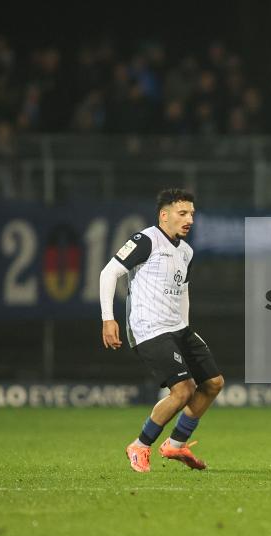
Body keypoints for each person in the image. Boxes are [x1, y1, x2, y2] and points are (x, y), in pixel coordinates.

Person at [100, 188, 225, 473]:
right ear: (164, 215)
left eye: (192, 213)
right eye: (183, 213)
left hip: (177, 327)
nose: (189, 219)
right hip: (148, 328)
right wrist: (109, 319)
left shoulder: (187, 251)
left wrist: (185, 329)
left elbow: (183, 293)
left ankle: (176, 445)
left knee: (213, 383)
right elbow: (109, 273)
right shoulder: (146, 240)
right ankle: (140, 445)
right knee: (183, 391)